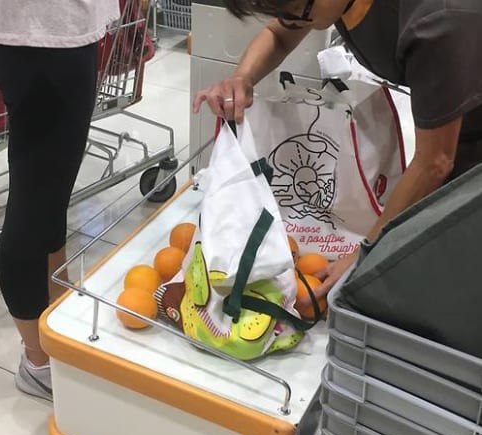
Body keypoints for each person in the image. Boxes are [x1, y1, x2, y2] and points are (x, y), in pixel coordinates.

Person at [193, 0, 482, 305]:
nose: (294, 21)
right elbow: (279, 35)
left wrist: (365, 251)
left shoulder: (435, 22)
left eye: (299, 9)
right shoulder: (331, 5)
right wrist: (242, 78)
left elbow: (435, 161)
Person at [0, 0, 120, 400]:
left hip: (53, 34)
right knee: (33, 201)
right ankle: (37, 362)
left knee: (50, 193)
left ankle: (58, 319)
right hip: (44, 36)